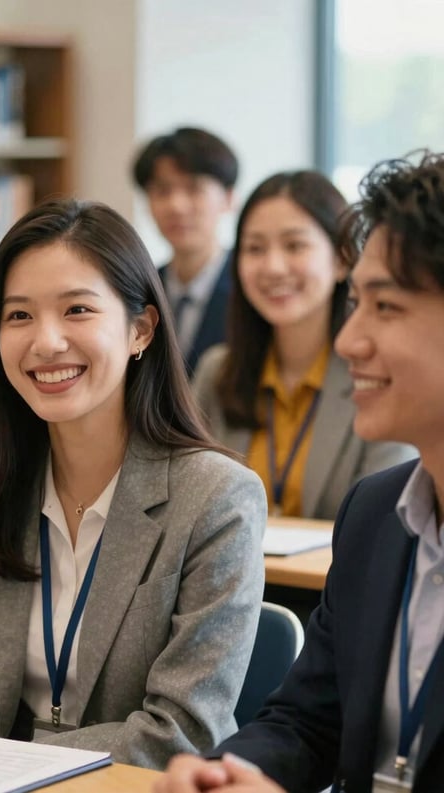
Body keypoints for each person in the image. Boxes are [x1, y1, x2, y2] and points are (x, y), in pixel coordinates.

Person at [0, 198, 267, 770]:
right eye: (19, 316)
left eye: (77, 310)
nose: (46, 342)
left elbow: (185, 729)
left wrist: (12, 760)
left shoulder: (215, 497)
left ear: (140, 329)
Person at [155, 151, 444, 793]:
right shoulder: (377, 516)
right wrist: (232, 772)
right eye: (357, 303)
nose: (348, 340)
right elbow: (308, 722)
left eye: (386, 307)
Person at [193, 170, 416, 520]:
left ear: (342, 259)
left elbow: (383, 520)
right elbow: (187, 504)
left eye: (294, 245)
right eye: (254, 248)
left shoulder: (379, 373)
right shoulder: (216, 372)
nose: (273, 267)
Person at [132, 126, 237, 374]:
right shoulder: (138, 290)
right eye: (162, 190)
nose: (176, 205)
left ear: (229, 198)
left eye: (193, 189)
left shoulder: (249, 288)